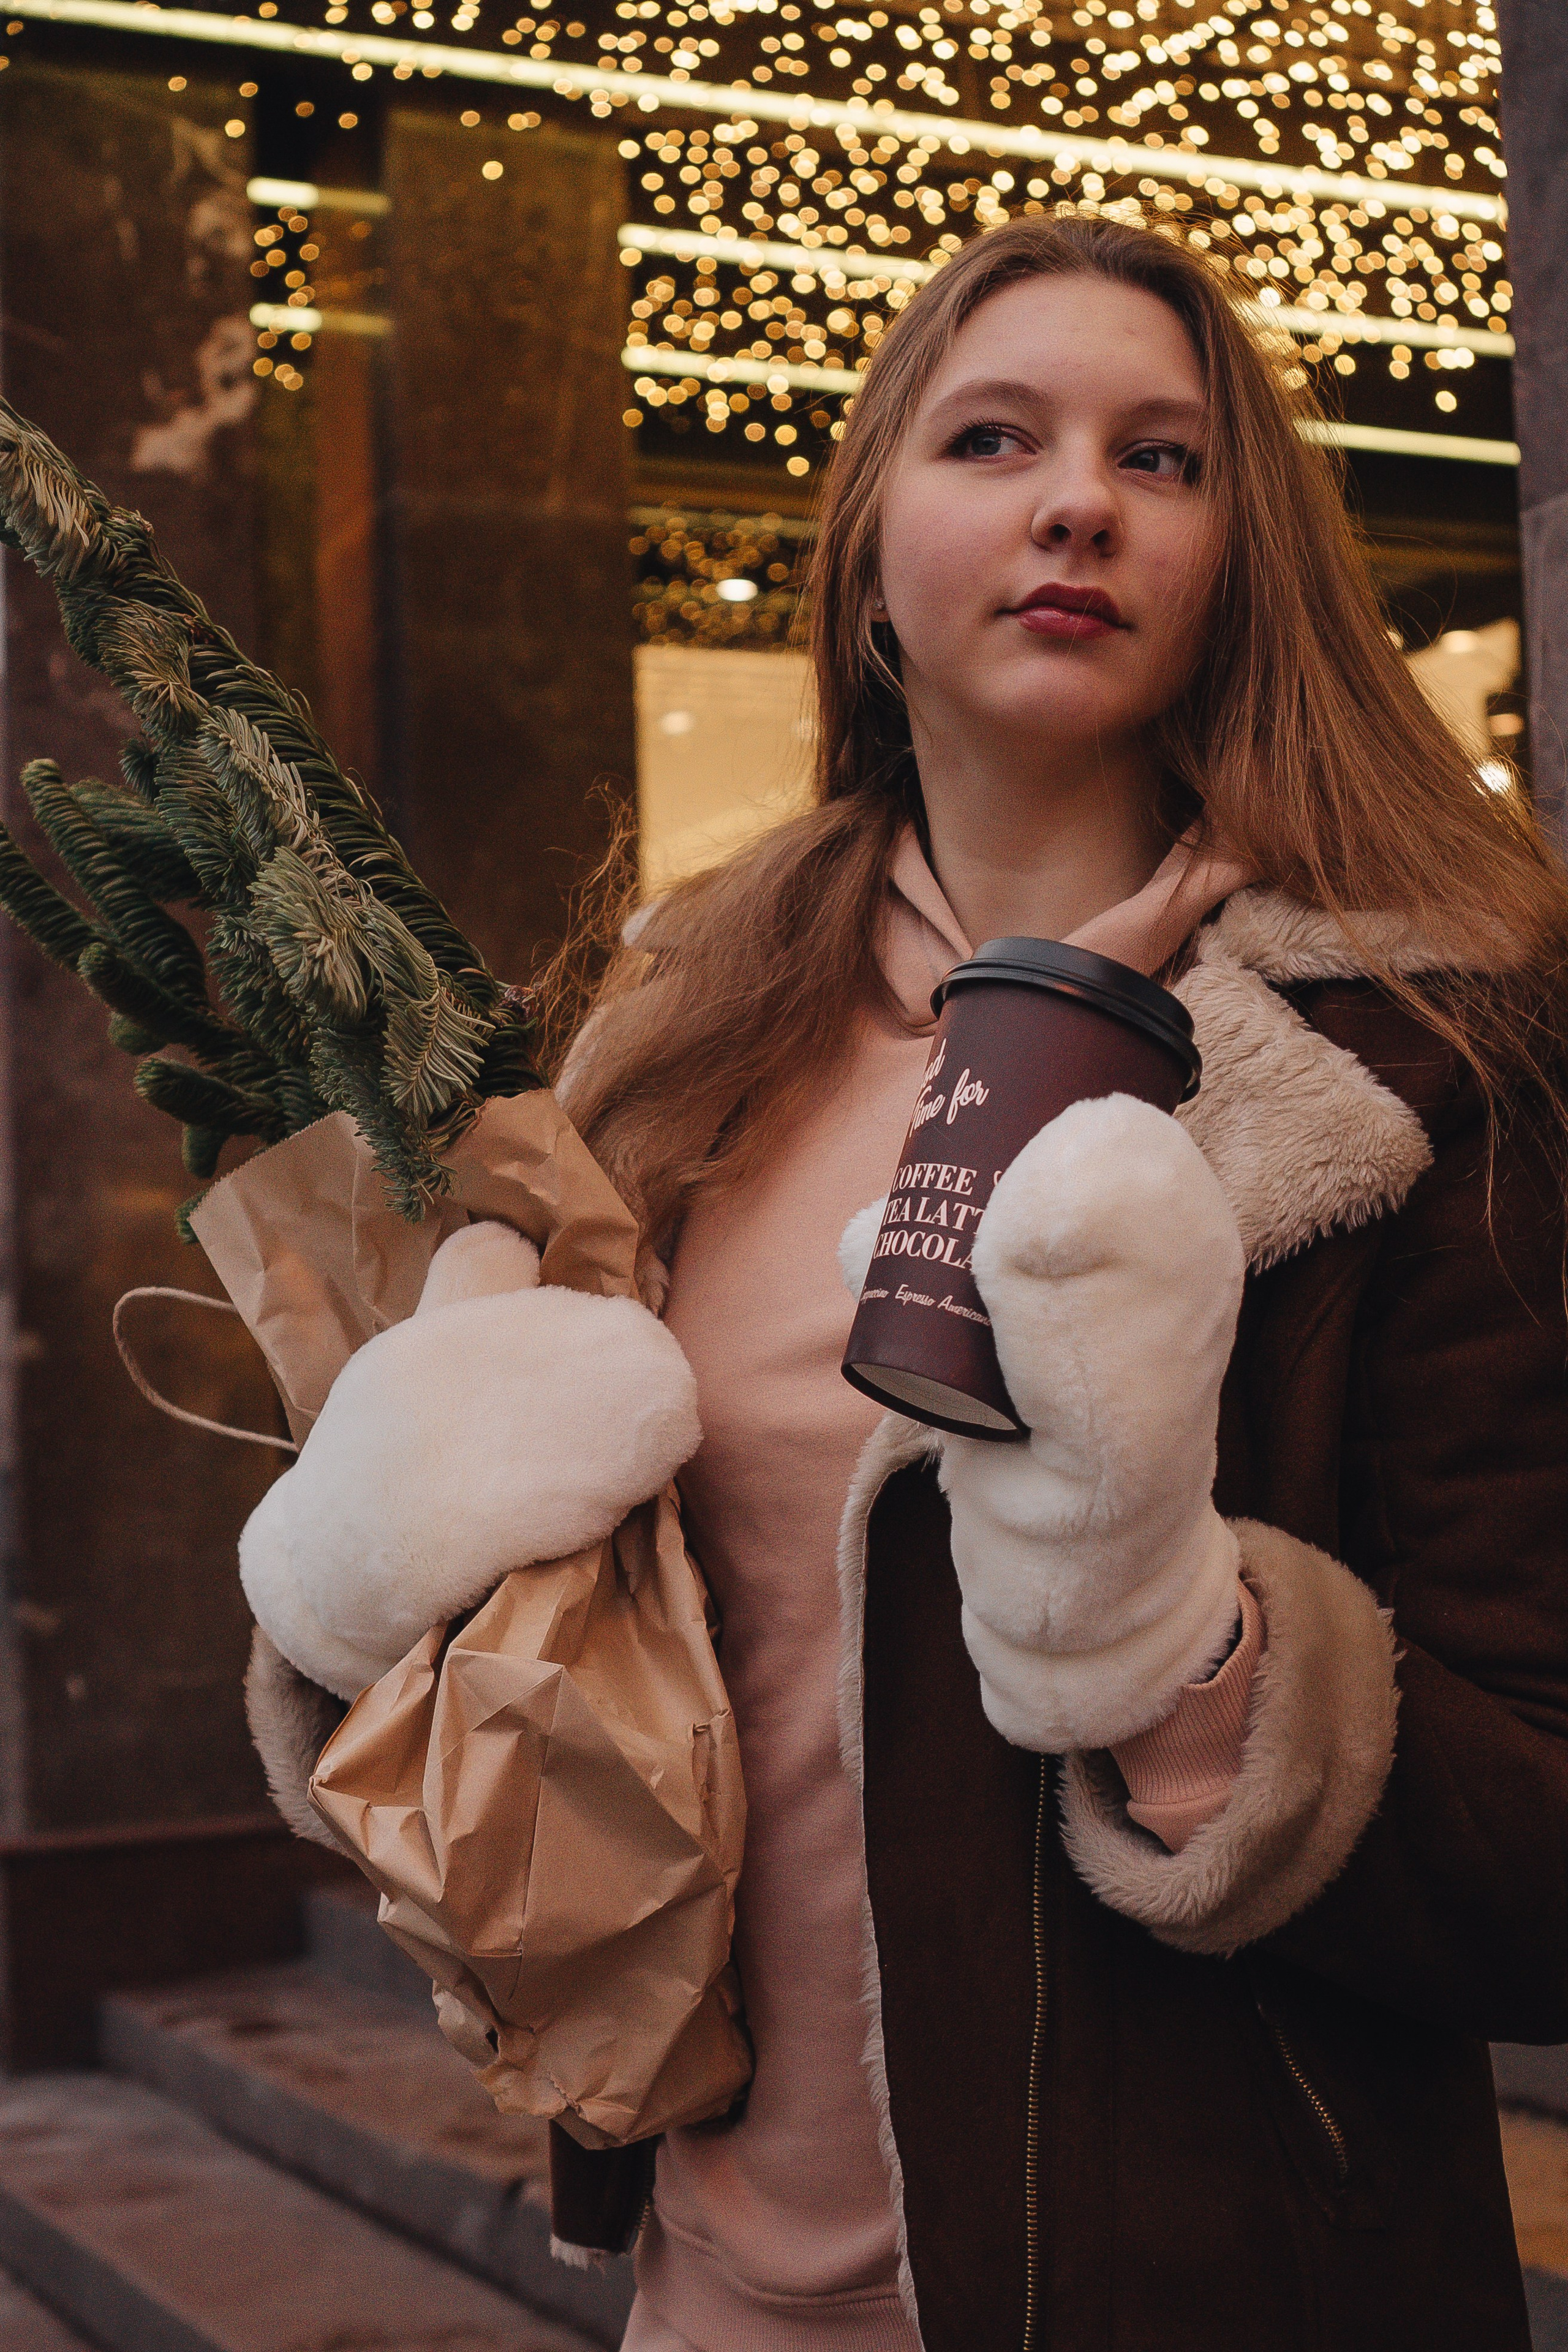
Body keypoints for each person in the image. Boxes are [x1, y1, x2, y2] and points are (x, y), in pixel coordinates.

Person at [244, 218, 1568, 2350]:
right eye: (995, 438)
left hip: (1206, 2292)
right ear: (868, 559)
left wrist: (1183, 1648)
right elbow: (534, 1708)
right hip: (715, 2280)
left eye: (1164, 458)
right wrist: (357, 1573)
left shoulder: (1422, 1068)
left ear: (1246, 561)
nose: (1077, 501)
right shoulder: (667, 1056)